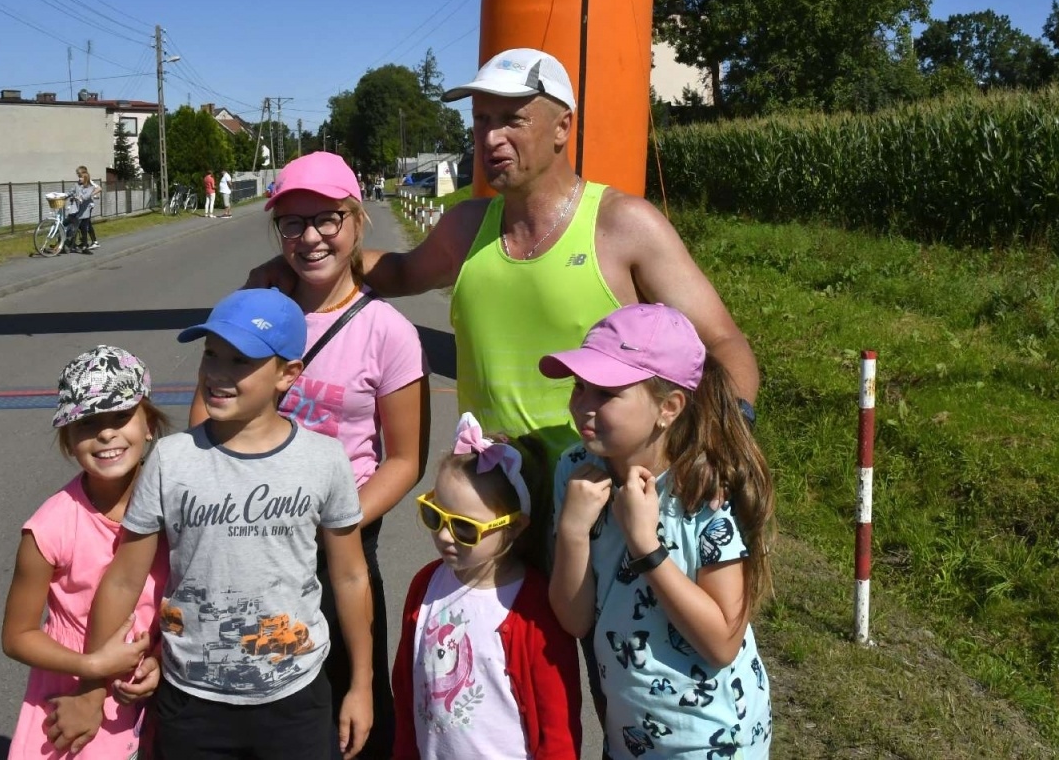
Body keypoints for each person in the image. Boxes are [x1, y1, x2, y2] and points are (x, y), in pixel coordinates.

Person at [248, 48, 759, 535]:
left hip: (601, 498)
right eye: (481, 121)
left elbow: (722, 343)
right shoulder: (467, 226)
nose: (490, 138)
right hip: (492, 504)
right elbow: (398, 272)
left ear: (563, 127)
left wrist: (720, 443)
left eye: (511, 120)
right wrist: (301, 259)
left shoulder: (623, 226)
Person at [190, 151, 428, 760]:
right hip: (248, 539)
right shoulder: (258, 305)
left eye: (328, 218)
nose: (311, 237)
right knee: (260, 707)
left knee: (353, 703)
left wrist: (337, 522)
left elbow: (404, 460)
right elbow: (204, 419)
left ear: (357, 219)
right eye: (292, 224)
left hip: (339, 547)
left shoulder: (387, 331)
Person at [72, 288, 375, 760]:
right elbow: (124, 580)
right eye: (211, 354)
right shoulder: (171, 460)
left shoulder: (324, 460)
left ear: (287, 374)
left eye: (240, 361)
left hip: (297, 700)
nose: (217, 373)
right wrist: (91, 685)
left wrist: (361, 684)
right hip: (191, 704)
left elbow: (351, 575)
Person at [547, 304, 774, 758]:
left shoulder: (704, 489)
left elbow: (722, 641)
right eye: (579, 387)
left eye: (606, 393)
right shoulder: (576, 471)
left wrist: (645, 545)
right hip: (630, 733)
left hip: (711, 739)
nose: (582, 406)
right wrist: (573, 530)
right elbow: (575, 620)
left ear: (668, 408)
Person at [1, 345, 170, 760]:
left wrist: (162, 662)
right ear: (68, 440)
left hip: (155, 687)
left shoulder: (176, 505)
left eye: (120, 417)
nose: (107, 433)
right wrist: (93, 668)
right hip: (73, 689)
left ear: (149, 424)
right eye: (88, 423)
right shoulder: (49, 527)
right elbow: (17, 636)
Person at [392, 414, 580, 760]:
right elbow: (407, 687)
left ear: (515, 526)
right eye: (435, 515)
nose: (445, 536)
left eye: (465, 528)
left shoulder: (534, 607)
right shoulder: (425, 584)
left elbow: (557, 725)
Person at [69, 166, 102, 252]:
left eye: (79, 174)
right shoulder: (79, 182)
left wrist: (90, 195)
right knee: (85, 223)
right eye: (78, 174)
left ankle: (92, 242)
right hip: (82, 205)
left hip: (88, 205)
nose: (78, 176)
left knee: (86, 223)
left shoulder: (89, 181)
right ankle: (86, 242)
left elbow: (99, 188)